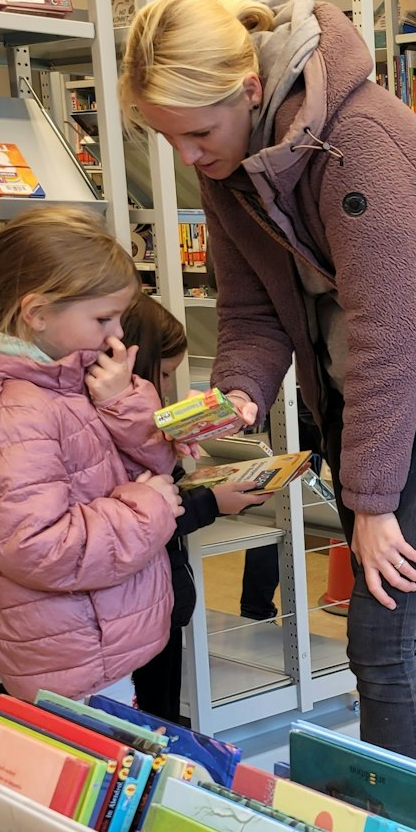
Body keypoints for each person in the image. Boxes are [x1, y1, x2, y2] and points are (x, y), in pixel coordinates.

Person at [122, 0, 416, 769]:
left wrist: (370, 503)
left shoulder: (355, 140)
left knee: (378, 628)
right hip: (363, 388)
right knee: (408, 620)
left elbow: (390, 332)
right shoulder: (229, 162)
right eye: (170, 140)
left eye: (199, 132)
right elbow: (250, 306)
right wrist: (241, 392)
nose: (190, 157)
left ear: (252, 89)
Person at [0, 207, 181, 705]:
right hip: (73, 652)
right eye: (103, 318)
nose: (117, 334)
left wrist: (122, 401)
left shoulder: (68, 381)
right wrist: (149, 507)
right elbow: (40, 547)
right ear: (37, 313)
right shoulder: (17, 411)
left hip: (97, 633)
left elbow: (158, 463)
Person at [119, 298, 275, 723]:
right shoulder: (114, 431)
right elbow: (146, 515)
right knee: (153, 711)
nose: (168, 387)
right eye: (165, 373)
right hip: (142, 602)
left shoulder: (138, 425)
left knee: (163, 702)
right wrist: (211, 502)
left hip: (159, 598)